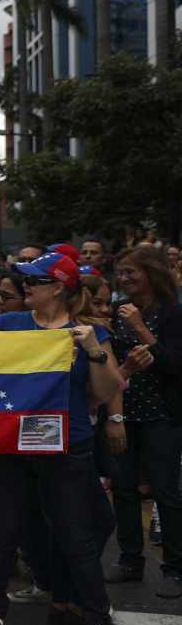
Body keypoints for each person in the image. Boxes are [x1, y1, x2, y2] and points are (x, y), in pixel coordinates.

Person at [0, 251, 125, 625]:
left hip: (67, 446)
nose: (25, 288)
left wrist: (94, 350)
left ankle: (96, 622)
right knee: (5, 528)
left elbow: (109, 387)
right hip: (11, 444)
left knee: (77, 535)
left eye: (34, 281)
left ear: (58, 287)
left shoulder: (89, 333)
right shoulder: (8, 323)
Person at [105, 246, 182, 598]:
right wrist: (114, 415)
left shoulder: (171, 313)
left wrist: (139, 327)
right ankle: (130, 560)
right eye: (120, 273)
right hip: (125, 412)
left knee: (166, 491)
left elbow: (174, 365)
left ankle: (174, 569)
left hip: (162, 416)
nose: (124, 279)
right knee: (123, 487)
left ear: (151, 273)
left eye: (131, 272)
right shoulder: (115, 312)